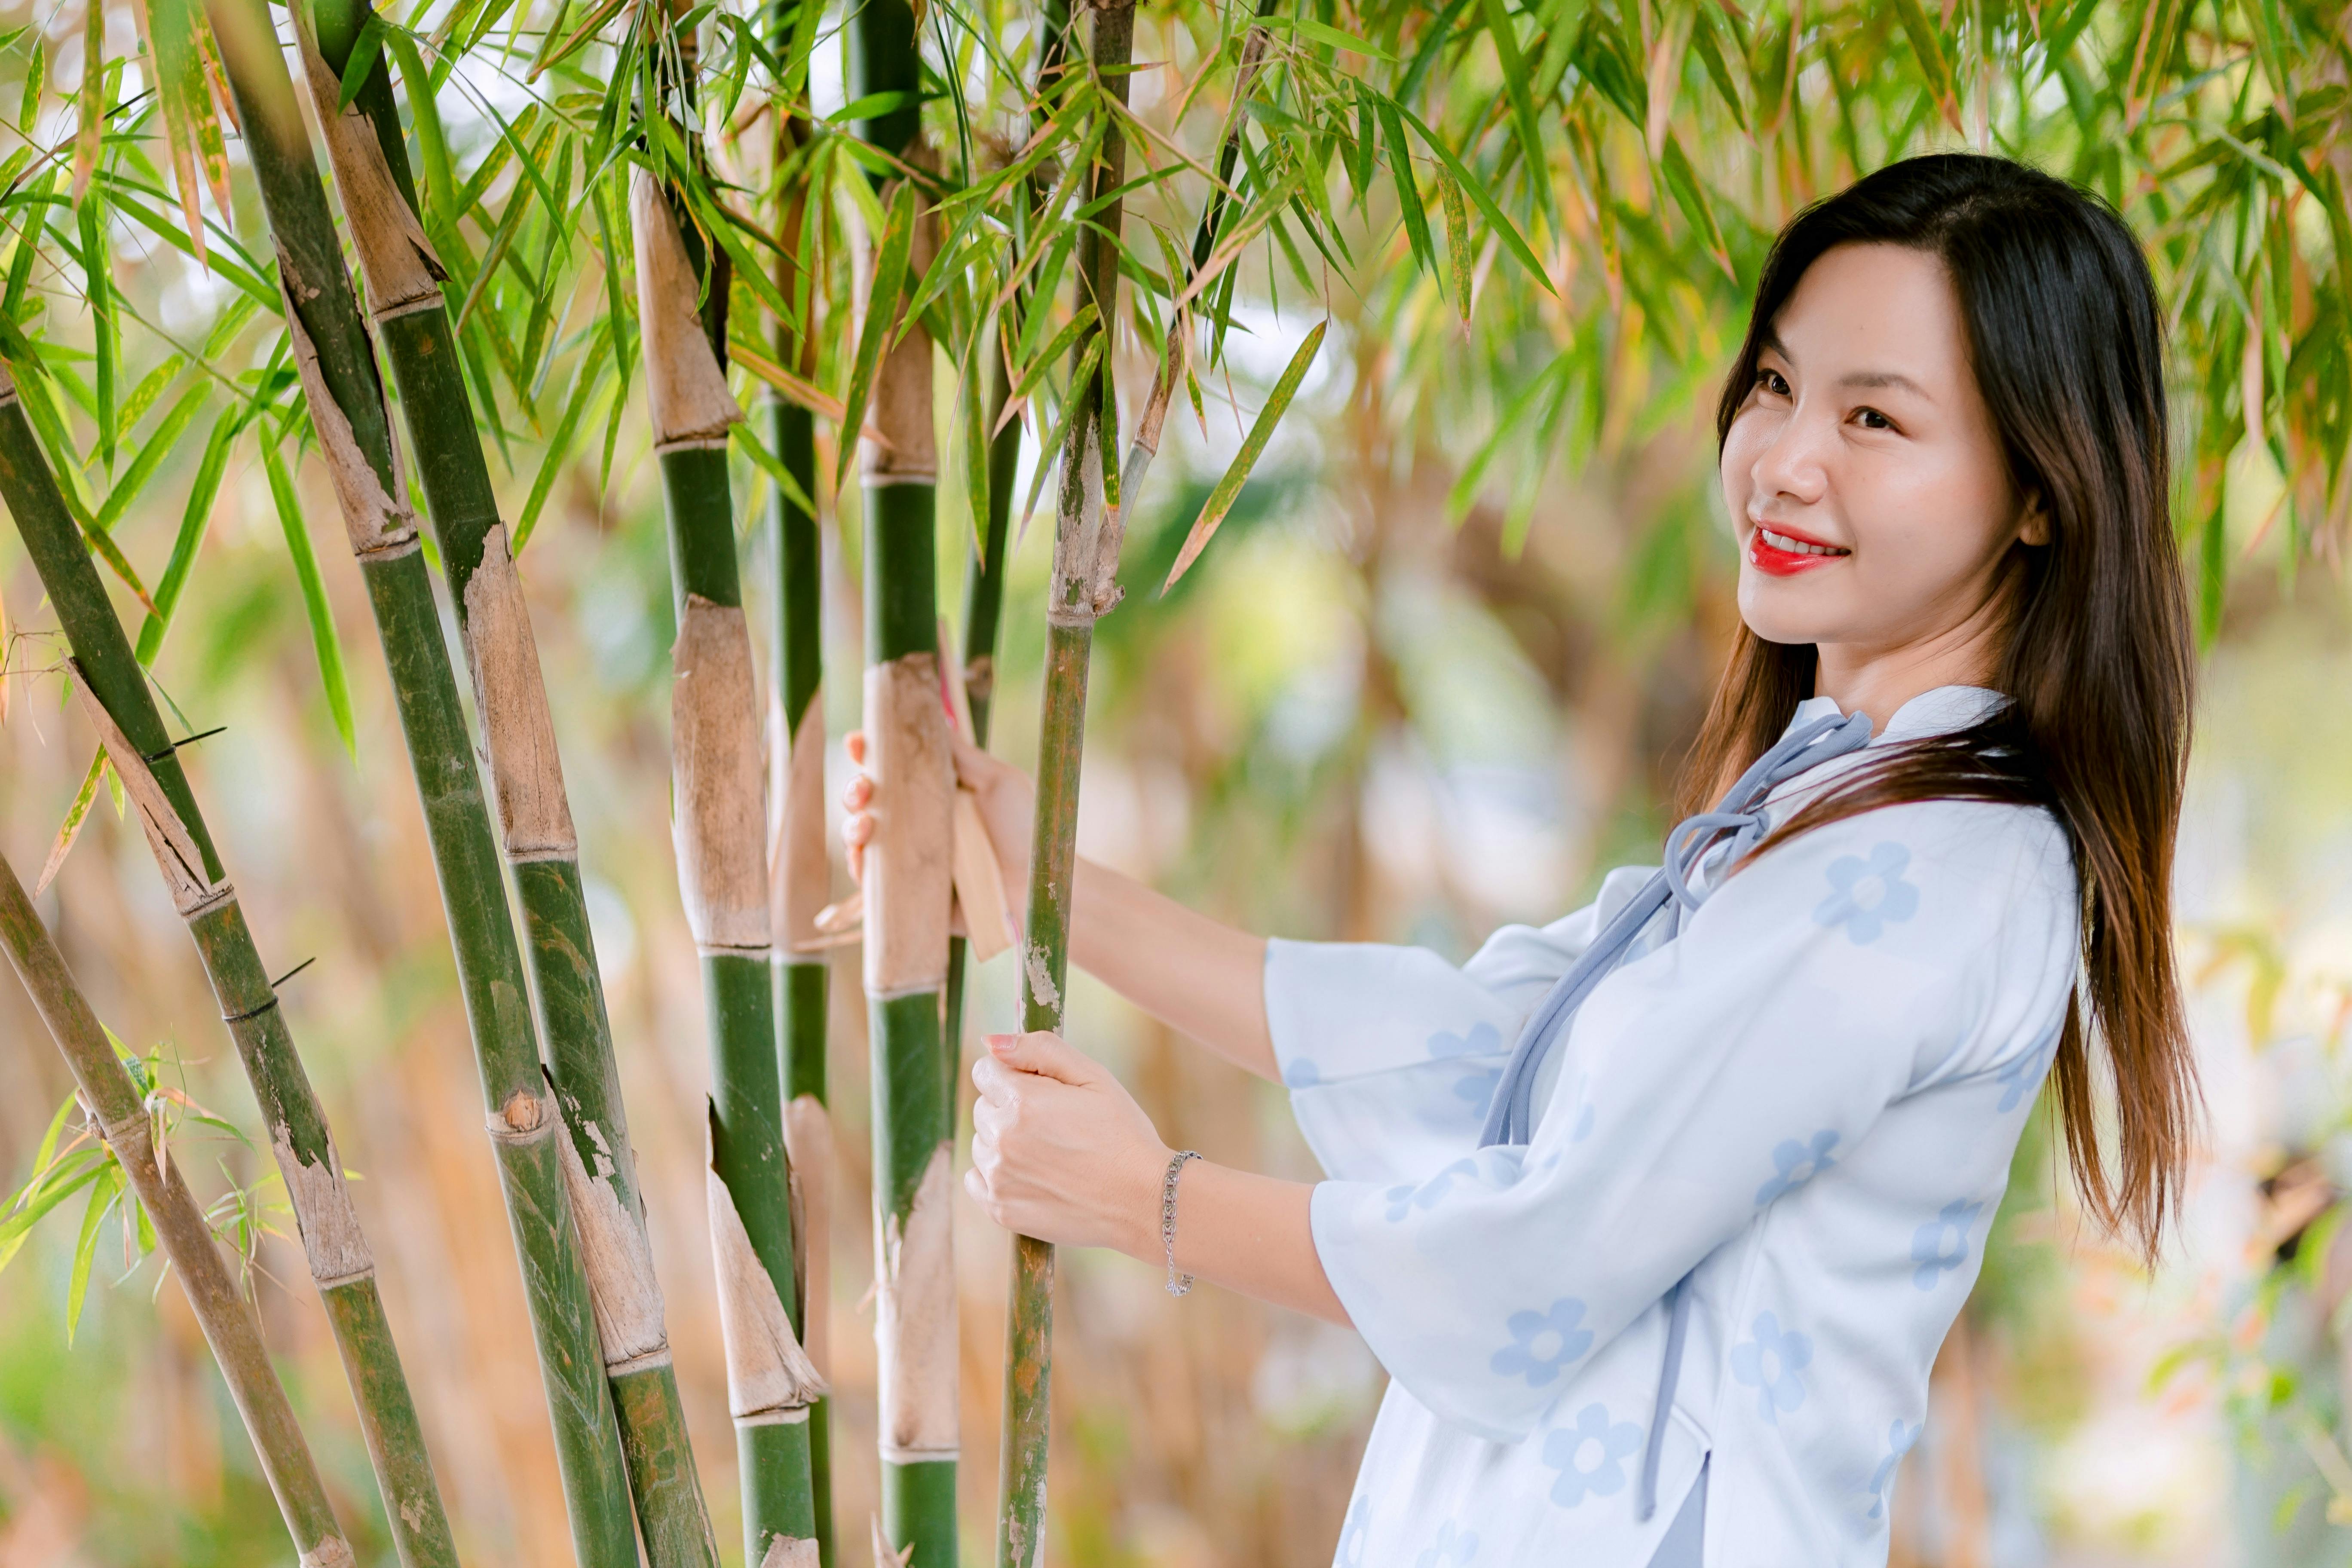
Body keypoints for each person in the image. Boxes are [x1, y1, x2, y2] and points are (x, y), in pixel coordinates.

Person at [841, 151, 2198, 1567]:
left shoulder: (1930, 878)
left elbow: (1537, 1260)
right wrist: (1034, 868)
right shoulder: (1822, 818)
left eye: (1877, 417)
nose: (1788, 460)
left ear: (2043, 491)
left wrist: (1147, 1199)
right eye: (1780, 387)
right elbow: (1482, 1050)